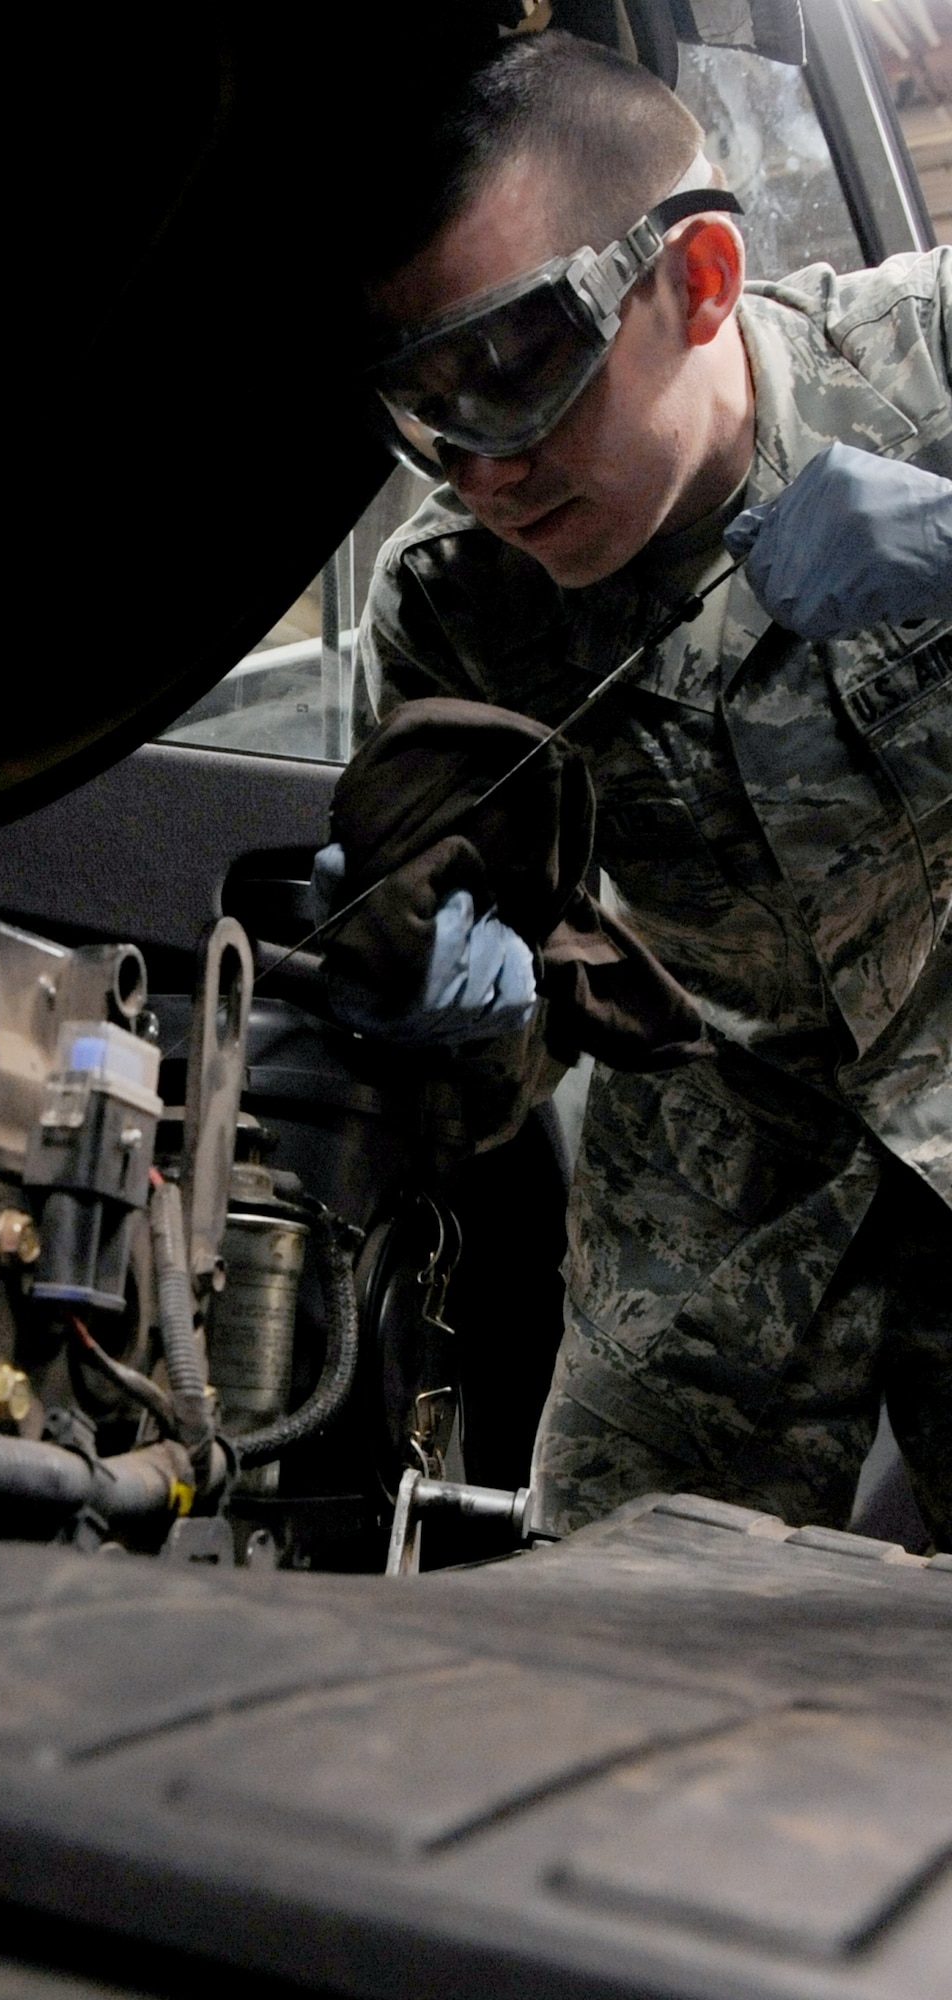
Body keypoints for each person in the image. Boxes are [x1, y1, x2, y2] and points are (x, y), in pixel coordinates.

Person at [345, 28, 952, 1542]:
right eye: (430, 407)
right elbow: (474, 1055)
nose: (484, 472)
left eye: (516, 372)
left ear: (697, 281)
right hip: (722, 1165)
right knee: (602, 1633)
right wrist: (453, 1005)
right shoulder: (453, 609)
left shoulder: (933, 355)